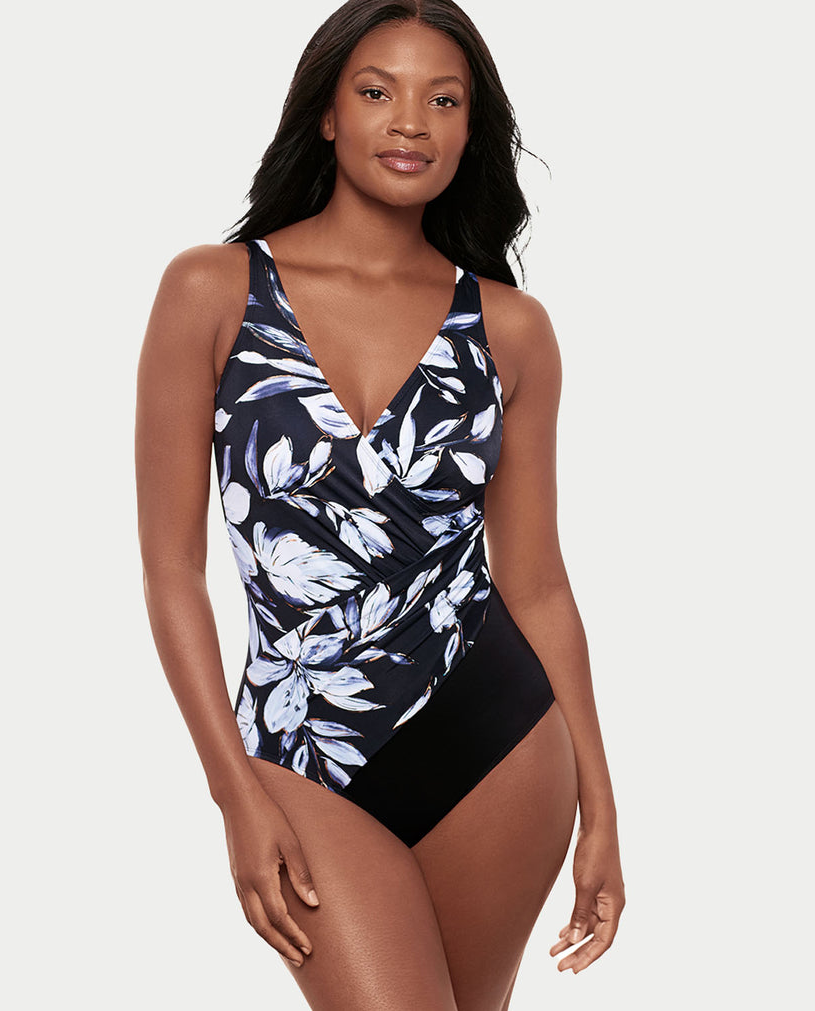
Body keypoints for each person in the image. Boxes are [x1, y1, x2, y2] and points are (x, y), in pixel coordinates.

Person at [135, 1, 625, 1006]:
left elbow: (536, 582)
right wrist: (232, 790)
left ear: (470, 129)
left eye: (443, 100)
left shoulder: (511, 330)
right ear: (326, 114)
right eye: (376, 91)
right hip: (300, 750)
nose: (410, 121)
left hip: (497, 739)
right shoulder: (211, 291)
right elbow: (170, 569)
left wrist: (602, 806)